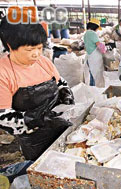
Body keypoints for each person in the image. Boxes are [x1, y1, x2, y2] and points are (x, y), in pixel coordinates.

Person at [0, 16, 74, 161]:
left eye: (39, 48)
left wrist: (65, 92)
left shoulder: (43, 62)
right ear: (10, 46)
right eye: (29, 49)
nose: (36, 54)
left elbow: (60, 82)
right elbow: (2, 117)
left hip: (60, 126)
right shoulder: (3, 72)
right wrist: (33, 119)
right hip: (34, 139)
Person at [84, 18, 106, 87]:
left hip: (89, 57)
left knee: (92, 75)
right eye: (97, 28)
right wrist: (105, 49)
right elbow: (99, 45)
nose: (97, 30)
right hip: (94, 58)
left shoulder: (86, 33)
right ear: (95, 26)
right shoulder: (92, 33)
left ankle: (91, 90)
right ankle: (94, 91)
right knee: (95, 76)